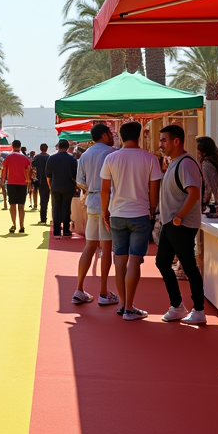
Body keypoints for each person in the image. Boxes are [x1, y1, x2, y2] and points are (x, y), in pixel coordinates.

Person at [100, 121, 162, 321]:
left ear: (120, 135)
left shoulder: (111, 158)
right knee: (135, 259)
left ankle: (121, 303)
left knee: (120, 259)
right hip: (140, 214)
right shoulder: (150, 158)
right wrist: (152, 209)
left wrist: (105, 212)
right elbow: (154, 189)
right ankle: (129, 307)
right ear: (140, 135)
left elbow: (104, 189)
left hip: (117, 213)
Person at [154, 125, 206, 324]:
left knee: (189, 266)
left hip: (180, 223)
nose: (161, 144)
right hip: (172, 222)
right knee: (162, 262)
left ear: (176, 141)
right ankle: (177, 306)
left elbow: (194, 192)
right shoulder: (175, 162)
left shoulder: (186, 163)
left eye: (164, 140)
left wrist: (179, 216)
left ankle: (199, 309)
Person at [74, 124, 117, 306]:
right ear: (105, 135)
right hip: (108, 202)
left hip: (91, 201)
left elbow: (80, 182)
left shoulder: (85, 155)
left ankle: (79, 289)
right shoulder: (113, 153)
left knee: (89, 246)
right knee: (106, 248)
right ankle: (103, 292)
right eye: (111, 133)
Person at [46, 139, 78, 240]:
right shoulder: (72, 159)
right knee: (66, 208)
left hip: (55, 186)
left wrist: (50, 186)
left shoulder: (51, 158)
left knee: (56, 208)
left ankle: (56, 231)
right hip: (68, 186)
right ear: (67, 147)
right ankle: (66, 230)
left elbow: (48, 175)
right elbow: (75, 175)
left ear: (58, 147)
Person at [1, 140, 31, 233]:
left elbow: (4, 170)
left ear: (12, 146)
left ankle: (13, 224)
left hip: (11, 183)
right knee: (21, 205)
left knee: (12, 204)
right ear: (20, 146)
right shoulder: (25, 158)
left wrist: (2, 180)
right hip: (22, 183)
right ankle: (22, 226)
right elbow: (28, 171)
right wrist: (29, 182)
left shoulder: (8, 158)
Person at [32, 144, 51, 224]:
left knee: (42, 199)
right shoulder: (49, 158)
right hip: (49, 181)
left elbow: (32, 167)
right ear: (47, 149)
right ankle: (48, 216)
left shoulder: (37, 157)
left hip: (40, 180)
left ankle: (43, 218)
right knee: (47, 199)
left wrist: (33, 176)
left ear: (40, 149)